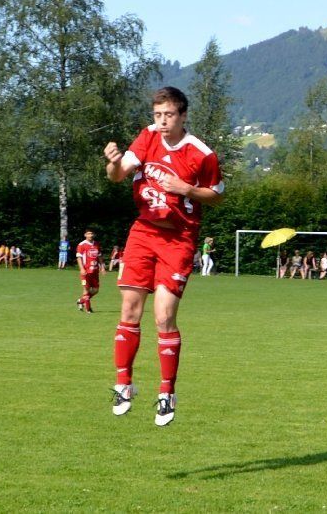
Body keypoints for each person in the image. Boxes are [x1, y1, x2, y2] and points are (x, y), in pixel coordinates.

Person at [102, 86, 224, 426]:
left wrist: (187, 189)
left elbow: (216, 196)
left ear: (183, 115)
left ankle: (167, 391)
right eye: (157, 115)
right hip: (143, 232)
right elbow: (118, 176)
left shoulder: (202, 154)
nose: (162, 121)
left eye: (168, 115)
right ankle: (124, 384)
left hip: (179, 239)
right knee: (129, 309)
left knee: (163, 316)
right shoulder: (147, 137)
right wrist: (113, 163)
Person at [76, 228, 102, 313]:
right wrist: (82, 269)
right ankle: (88, 309)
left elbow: (99, 256)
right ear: (85, 235)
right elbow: (79, 257)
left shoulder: (96, 244)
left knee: (95, 290)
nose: (90, 235)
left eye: (91, 233)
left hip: (95, 271)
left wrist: (102, 266)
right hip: (86, 271)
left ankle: (81, 301)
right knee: (86, 289)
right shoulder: (81, 245)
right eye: (88, 233)